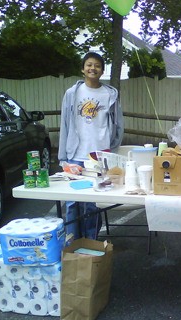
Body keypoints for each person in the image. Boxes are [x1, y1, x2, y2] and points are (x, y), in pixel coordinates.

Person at [58, 52, 124, 240]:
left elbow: (118, 123)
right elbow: (65, 124)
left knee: (92, 203)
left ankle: (91, 240)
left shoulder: (109, 94)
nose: (92, 68)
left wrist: (112, 147)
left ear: (102, 71)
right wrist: (63, 157)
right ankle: (72, 241)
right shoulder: (72, 94)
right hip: (75, 153)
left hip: (99, 156)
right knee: (72, 202)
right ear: (82, 69)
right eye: (89, 65)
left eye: (97, 65)